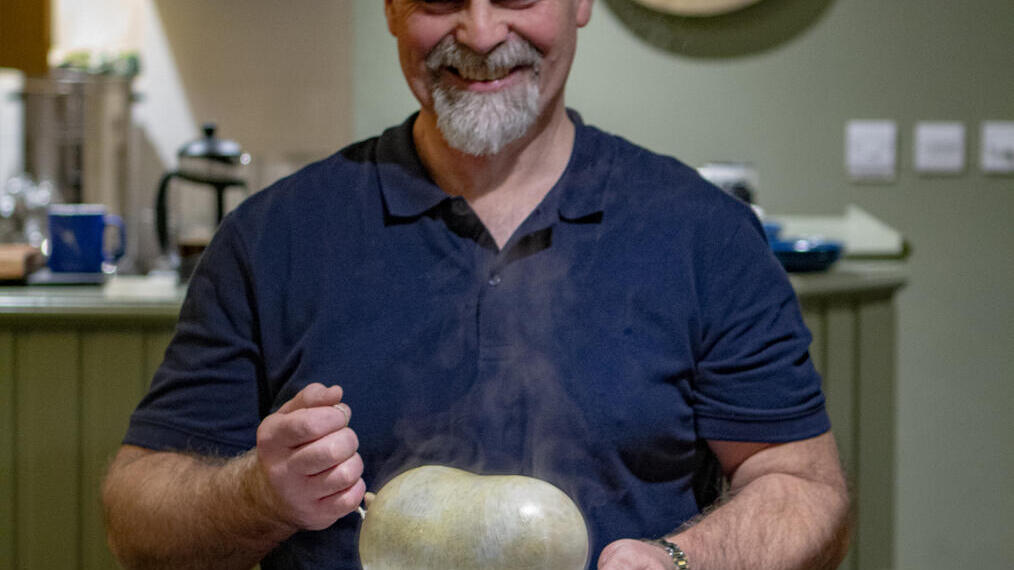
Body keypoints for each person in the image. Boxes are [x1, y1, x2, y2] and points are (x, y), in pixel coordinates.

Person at [102, 1, 850, 569]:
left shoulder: (704, 234)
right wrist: (257, 494)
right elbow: (135, 517)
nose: (483, 33)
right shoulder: (275, 236)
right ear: (391, 7)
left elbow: (802, 486)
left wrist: (680, 561)